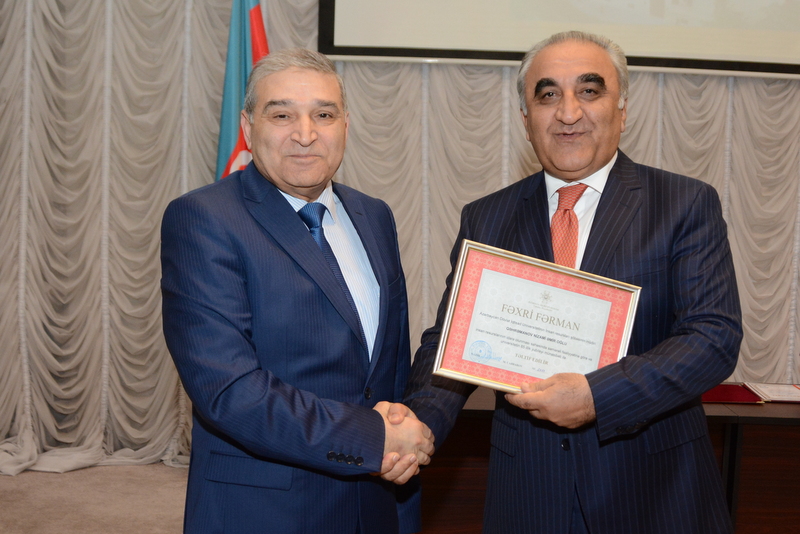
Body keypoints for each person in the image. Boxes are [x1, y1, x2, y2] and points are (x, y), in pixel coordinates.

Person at [394, 31, 743, 533]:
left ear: (622, 110)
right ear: (526, 119)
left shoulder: (683, 204)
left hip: (654, 493)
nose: (568, 112)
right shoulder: (487, 217)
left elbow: (712, 337)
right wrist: (419, 422)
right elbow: (453, 342)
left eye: (589, 91)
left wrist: (598, 396)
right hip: (530, 494)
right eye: (548, 95)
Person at [161, 48, 431, 534]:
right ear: (248, 127)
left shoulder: (374, 215)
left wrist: (399, 452)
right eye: (282, 115)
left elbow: (387, 368)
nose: (305, 134)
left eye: (323, 115)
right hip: (266, 510)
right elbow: (229, 390)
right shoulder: (204, 219)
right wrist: (373, 438)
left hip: (376, 498)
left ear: (345, 124)